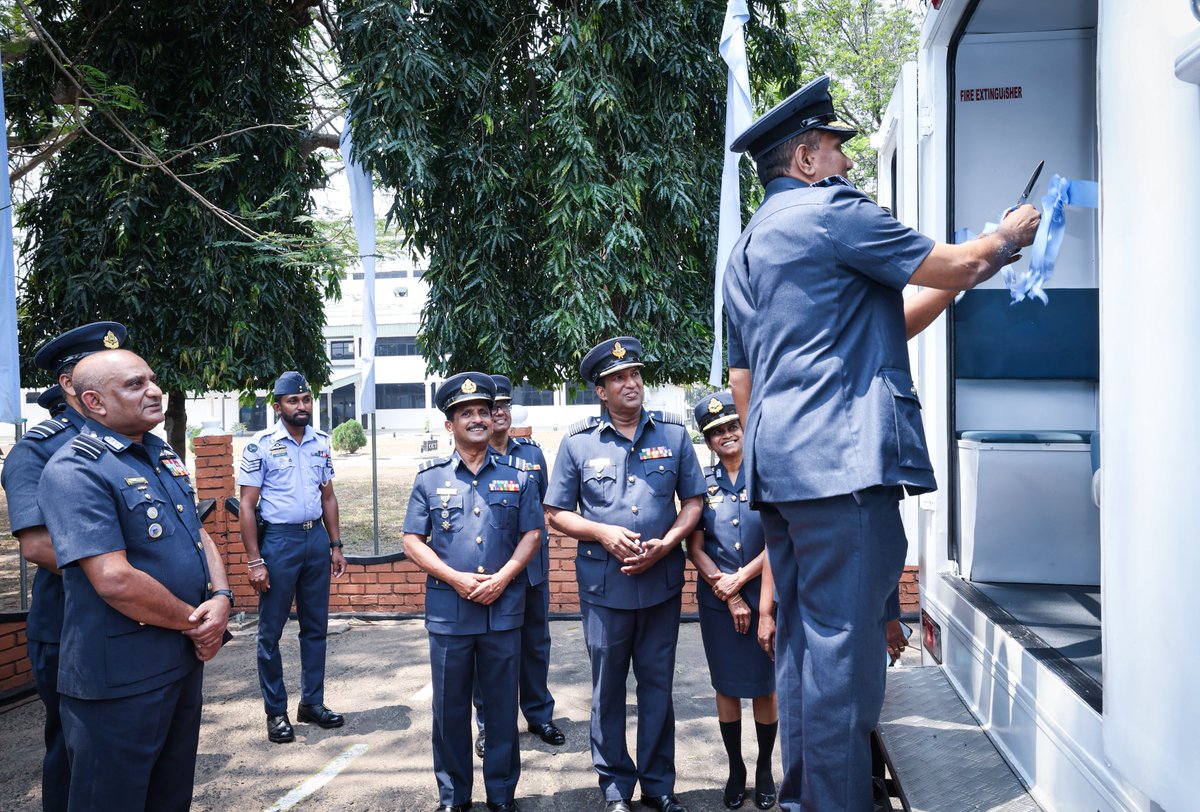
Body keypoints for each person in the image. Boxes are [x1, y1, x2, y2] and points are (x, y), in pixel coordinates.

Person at [722, 74, 1040, 811]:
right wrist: (1007, 237)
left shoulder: (747, 248)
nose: (846, 164)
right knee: (844, 656)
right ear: (805, 158)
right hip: (841, 470)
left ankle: (807, 799)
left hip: (786, 474)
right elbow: (958, 260)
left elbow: (769, 369)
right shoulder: (832, 215)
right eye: (835, 149)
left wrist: (968, 271)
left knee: (805, 654)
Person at [37, 348, 232, 812]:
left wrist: (222, 596)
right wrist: (196, 622)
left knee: (170, 796)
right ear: (95, 402)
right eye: (134, 384)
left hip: (179, 662)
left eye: (152, 379)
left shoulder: (158, 451)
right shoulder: (75, 468)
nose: (154, 390)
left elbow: (197, 533)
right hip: (120, 677)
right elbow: (114, 579)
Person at [545, 337, 706, 812]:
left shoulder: (674, 436)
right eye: (618, 378)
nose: (630, 383)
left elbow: (694, 501)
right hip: (605, 588)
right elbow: (556, 512)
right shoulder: (578, 443)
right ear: (601, 390)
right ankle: (615, 787)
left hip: (660, 585)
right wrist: (601, 532)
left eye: (634, 374)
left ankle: (658, 786)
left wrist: (670, 542)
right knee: (608, 690)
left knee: (657, 687)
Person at [402, 372, 543, 812]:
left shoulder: (519, 476)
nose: (479, 419)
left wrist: (505, 577)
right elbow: (411, 541)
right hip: (450, 611)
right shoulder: (429, 479)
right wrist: (455, 578)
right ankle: (454, 798)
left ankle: (501, 796)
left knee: (502, 711)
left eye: (484, 411)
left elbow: (533, 533)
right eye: (468, 414)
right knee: (449, 713)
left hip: (503, 610)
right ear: (450, 425)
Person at [0, 321, 126, 812]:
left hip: (130, 616)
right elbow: (37, 546)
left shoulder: (128, 442)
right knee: (76, 750)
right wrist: (124, 578)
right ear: (72, 384)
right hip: (70, 625)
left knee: (127, 747)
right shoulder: (37, 450)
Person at [238, 371, 347, 744]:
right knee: (270, 633)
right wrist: (255, 560)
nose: (302, 406)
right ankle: (276, 712)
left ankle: (311, 704)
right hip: (279, 544)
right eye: (293, 401)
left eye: (305, 400)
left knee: (315, 627)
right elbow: (247, 507)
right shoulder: (261, 446)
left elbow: (328, 496)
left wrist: (335, 544)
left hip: (314, 540)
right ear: (277, 406)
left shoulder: (321, 442)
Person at [686, 391, 778, 811]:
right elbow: (695, 545)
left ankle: (763, 769)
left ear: (744, 429)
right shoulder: (701, 486)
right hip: (717, 598)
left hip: (766, 596)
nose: (726, 435)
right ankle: (736, 768)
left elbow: (780, 540)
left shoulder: (767, 474)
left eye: (731, 427)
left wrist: (742, 581)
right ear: (707, 441)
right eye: (716, 431)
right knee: (725, 685)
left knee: (764, 685)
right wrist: (727, 589)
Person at [472, 374, 564, 760]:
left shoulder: (532, 455)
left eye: (505, 406)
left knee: (535, 644)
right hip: (492, 572)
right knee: (487, 649)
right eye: (494, 408)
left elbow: (543, 511)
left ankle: (539, 714)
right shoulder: (474, 457)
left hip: (531, 571)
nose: (501, 413)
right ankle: (488, 724)